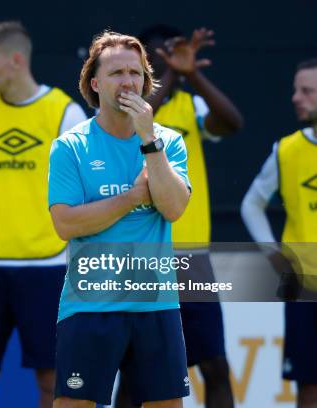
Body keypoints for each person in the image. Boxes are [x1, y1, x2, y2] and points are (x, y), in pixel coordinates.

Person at [48, 30, 191, 408]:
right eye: (116, 74)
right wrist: (131, 197)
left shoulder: (168, 142)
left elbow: (174, 208)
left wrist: (149, 141)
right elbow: (66, 224)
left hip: (156, 303)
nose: (128, 82)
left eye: (136, 73)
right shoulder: (71, 146)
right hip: (90, 306)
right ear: (95, 83)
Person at [0, 21, 86, 408]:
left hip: (48, 265)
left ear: (15, 60)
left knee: (51, 380)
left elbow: (77, 195)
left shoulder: (65, 113)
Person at [115, 24, 244, 408]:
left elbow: (232, 122)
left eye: (170, 54)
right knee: (136, 372)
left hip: (191, 258)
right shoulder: (122, 113)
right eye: (154, 57)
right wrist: (173, 74)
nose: (162, 61)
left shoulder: (191, 105)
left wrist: (193, 74)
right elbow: (144, 112)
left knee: (214, 366)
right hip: (143, 256)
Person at [241, 58, 317, 408]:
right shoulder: (286, 150)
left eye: (306, 91)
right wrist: (275, 254)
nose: (296, 98)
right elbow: (251, 205)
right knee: (308, 387)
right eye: (295, 90)